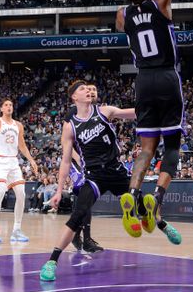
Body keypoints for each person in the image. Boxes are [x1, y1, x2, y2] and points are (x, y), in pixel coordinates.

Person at [115, 0, 185, 245]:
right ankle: (156, 197)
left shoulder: (122, 14)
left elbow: (124, 25)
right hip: (168, 77)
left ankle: (133, 191)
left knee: (145, 148)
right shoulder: (160, 1)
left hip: (142, 80)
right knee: (172, 147)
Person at [39, 80, 136, 281]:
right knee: (78, 214)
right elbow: (66, 160)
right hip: (93, 175)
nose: (88, 91)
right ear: (74, 97)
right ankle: (52, 261)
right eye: (83, 89)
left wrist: (154, 105)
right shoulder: (70, 124)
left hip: (115, 169)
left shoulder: (104, 111)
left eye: (90, 88)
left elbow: (133, 113)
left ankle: (158, 223)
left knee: (141, 200)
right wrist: (58, 191)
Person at [0, 99, 39, 244]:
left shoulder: (18, 125)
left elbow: (22, 146)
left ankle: (16, 230)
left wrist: (31, 160)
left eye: (11, 105)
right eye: (6, 105)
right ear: (1, 109)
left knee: (21, 194)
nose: (9, 107)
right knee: (0, 191)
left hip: (13, 161)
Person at [65, 83, 105, 254]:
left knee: (85, 201)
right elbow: (66, 142)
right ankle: (83, 238)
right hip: (76, 161)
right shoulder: (73, 112)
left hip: (90, 161)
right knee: (84, 199)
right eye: (88, 89)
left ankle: (79, 235)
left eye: (94, 89)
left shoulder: (98, 112)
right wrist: (80, 161)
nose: (91, 91)